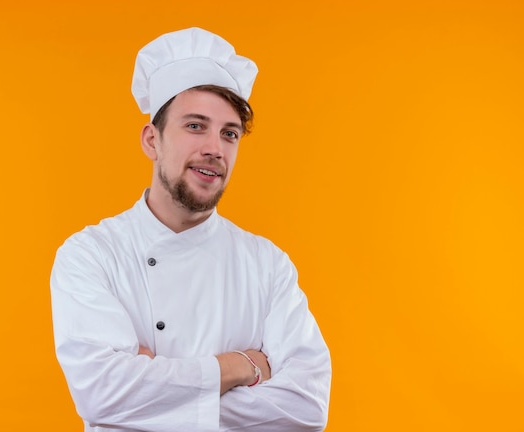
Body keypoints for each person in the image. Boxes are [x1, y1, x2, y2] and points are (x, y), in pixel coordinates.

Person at [50, 27, 332, 432]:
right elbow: (102, 396)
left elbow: (307, 408)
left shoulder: (268, 265)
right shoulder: (91, 255)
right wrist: (241, 366)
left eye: (229, 133)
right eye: (196, 126)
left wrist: (153, 394)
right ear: (152, 140)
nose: (215, 148)